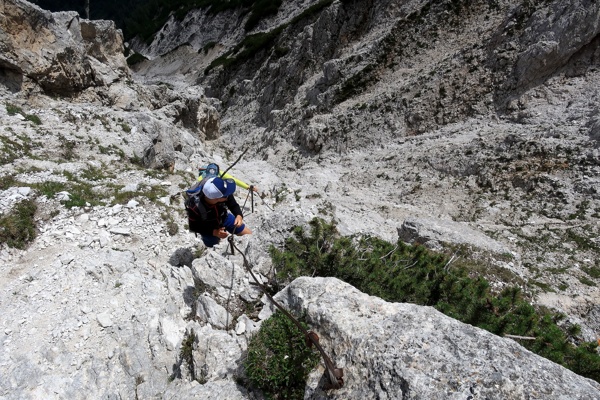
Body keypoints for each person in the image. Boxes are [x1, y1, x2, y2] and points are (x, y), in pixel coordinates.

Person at [193, 176, 252, 247]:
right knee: (213, 247)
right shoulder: (196, 207)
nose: (228, 196)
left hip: (224, 217)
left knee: (250, 236)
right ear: (217, 199)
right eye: (226, 196)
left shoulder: (223, 192)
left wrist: (239, 215)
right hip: (208, 227)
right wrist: (215, 232)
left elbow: (233, 205)